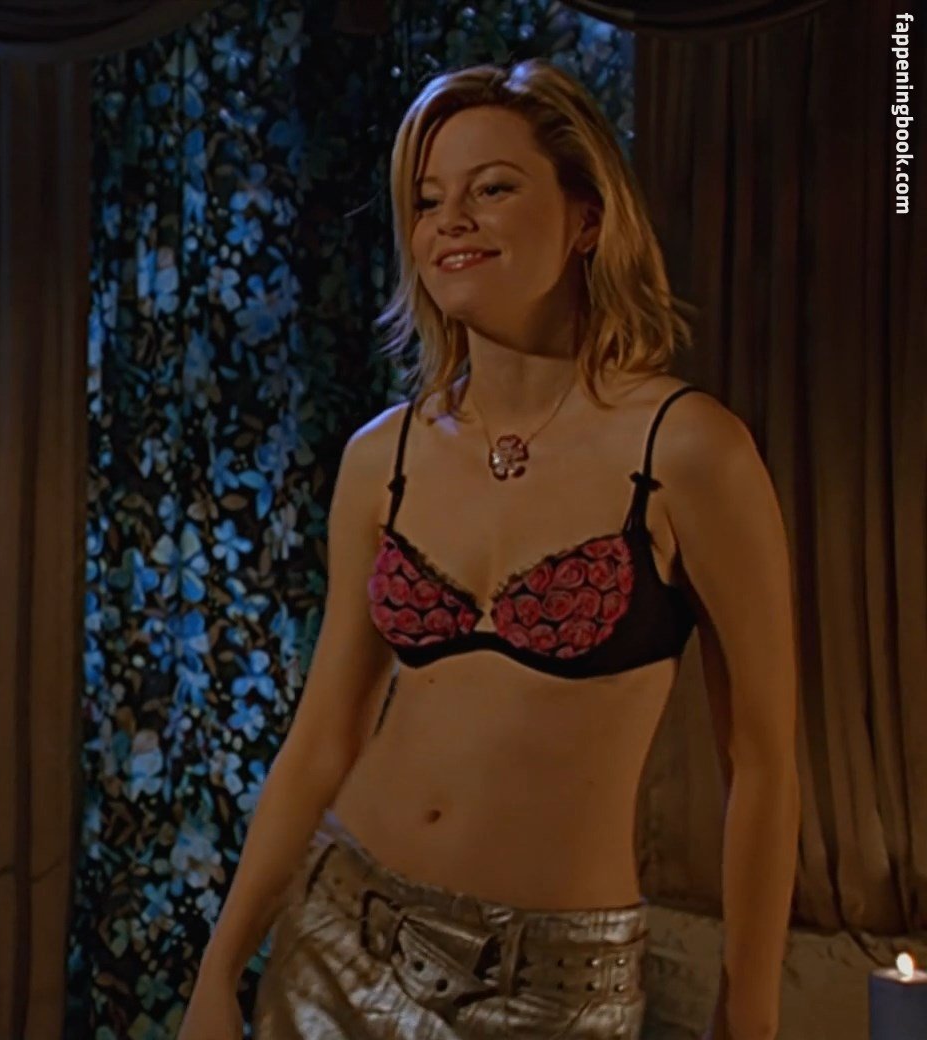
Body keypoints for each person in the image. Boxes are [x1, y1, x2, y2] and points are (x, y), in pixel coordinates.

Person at [179, 60, 799, 1040]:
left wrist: (750, 1015)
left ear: (587, 217)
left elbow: (761, 761)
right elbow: (324, 736)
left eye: (493, 188)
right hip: (339, 933)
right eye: (428, 200)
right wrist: (219, 969)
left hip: (553, 980)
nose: (450, 222)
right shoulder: (383, 457)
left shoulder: (688, 450)